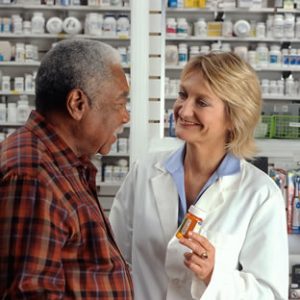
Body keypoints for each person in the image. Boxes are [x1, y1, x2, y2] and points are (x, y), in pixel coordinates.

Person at [109, 52, 289, 300]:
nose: (184, 110)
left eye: (201, 102)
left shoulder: (261, 194)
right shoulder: (145, 171)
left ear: (234, 117)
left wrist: (214, 274)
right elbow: (112, 257)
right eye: (183, 94)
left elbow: (270, 293)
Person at [0, 39, 133, 299]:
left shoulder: (65, 164)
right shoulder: (33, 175)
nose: (125, 116)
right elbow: (29, 294)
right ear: (77, 104)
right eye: (120, 103)